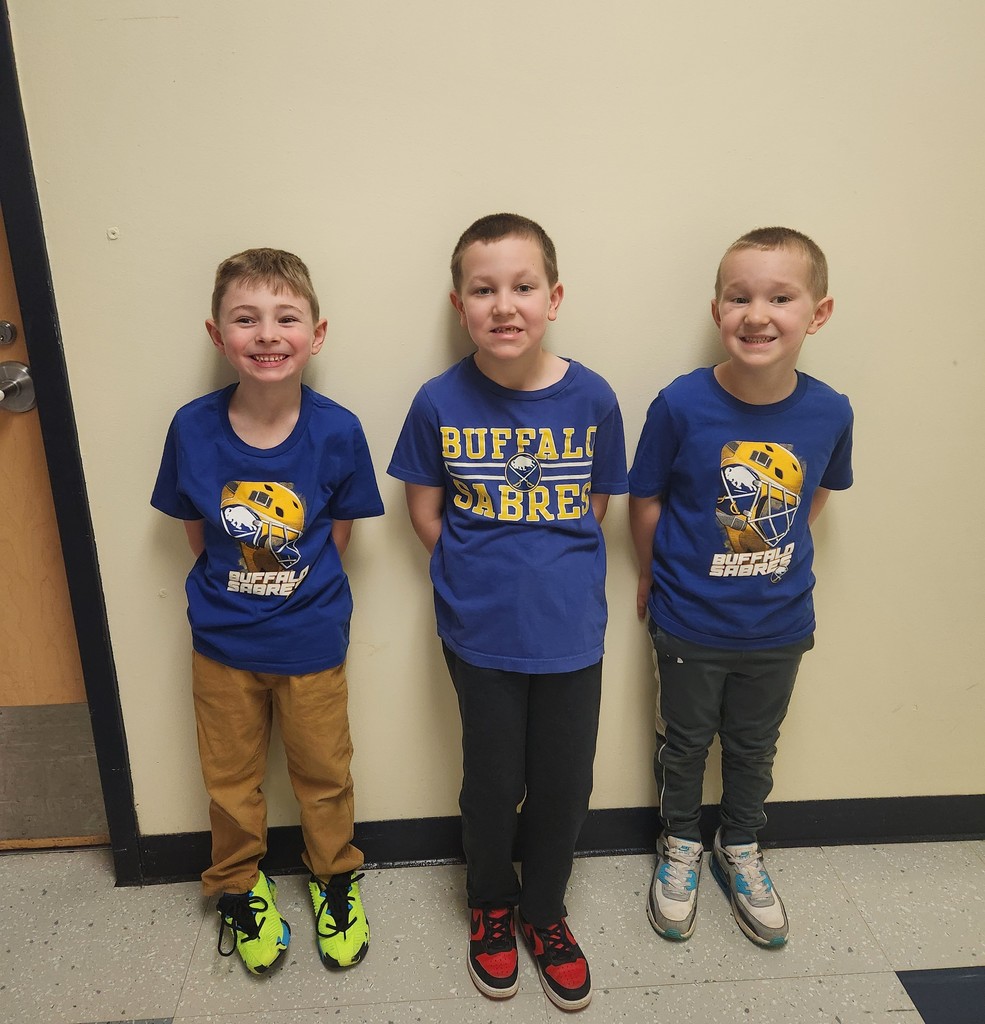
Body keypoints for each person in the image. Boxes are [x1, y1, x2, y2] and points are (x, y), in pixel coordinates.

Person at [388, 213, 627, 1010]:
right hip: (478, 634)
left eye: (522, 287)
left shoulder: (593, 396)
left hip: (570, 636)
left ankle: (544, 911)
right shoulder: (437, 401)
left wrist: (543, 575)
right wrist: (474, 578)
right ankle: (489, 902)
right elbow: (424, 514)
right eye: (483, 289)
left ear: (552, 297)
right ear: (458, 305)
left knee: (563, 784)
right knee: (492, 782)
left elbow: (593, 507)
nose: (503, 305)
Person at [151, 248, 384, 975]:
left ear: (316, 334)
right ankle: (239, 884)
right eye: (245, 319)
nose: (266, 333)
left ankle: (334, 879)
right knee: (229, 780)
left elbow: (336, 536)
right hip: (221, 645)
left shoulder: (338, 430)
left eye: (286, 317)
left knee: (323, 773)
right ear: (218, 337)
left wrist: (296, 594)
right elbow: (197, 531)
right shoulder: (191, 429)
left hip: (311, 640)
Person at [629, 227, 853, 949]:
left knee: (755, 745)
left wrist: (774, 554)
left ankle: (742, 846)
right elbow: (648, 500)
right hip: (688, 620)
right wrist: (648, 574)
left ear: (816, 313)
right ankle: (681, 847)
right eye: (738, 297)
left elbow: (814, 494)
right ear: (716, 309)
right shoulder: (680, 404)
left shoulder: (829, 411)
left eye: (779, 297)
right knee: (685, 742)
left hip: (779, 624)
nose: (756, 314)